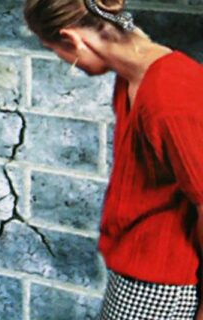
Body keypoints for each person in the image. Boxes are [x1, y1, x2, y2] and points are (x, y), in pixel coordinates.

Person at [24, 0, 203, 319]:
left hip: (163, 287)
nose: (64, 61)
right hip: (136, 276)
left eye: (55, 50)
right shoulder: (132, 76)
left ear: (73, 39)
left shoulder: (172, 93)